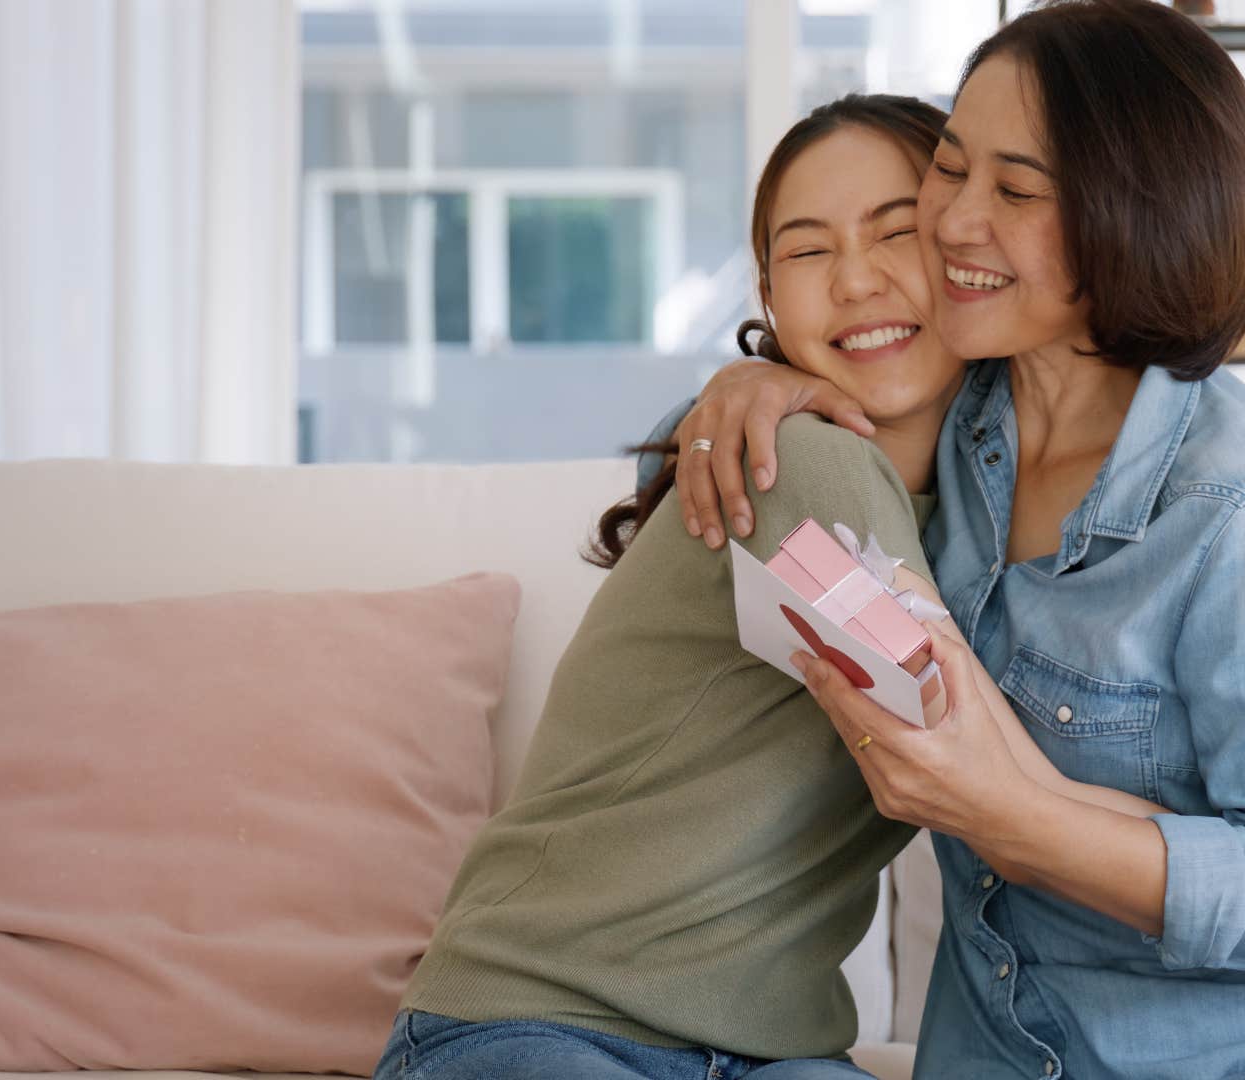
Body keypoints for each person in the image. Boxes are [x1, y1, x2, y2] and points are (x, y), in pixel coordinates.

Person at [652, 3, 1245, 1078]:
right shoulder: (956, 424)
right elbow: (845, 332)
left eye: (1015, 191)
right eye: (952, 168)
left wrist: (1015, 819)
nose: (953, 223)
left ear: (1134, 219)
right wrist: (754, 379)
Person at [367, 93, 1171, 1080]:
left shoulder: (975, 520)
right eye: (807, 251)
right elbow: (969, 754)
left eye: (897, 233)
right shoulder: (798, 463)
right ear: (767, 294)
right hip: (538, 1014)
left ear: (970, 253)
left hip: (760, 1052)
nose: (858, 282)